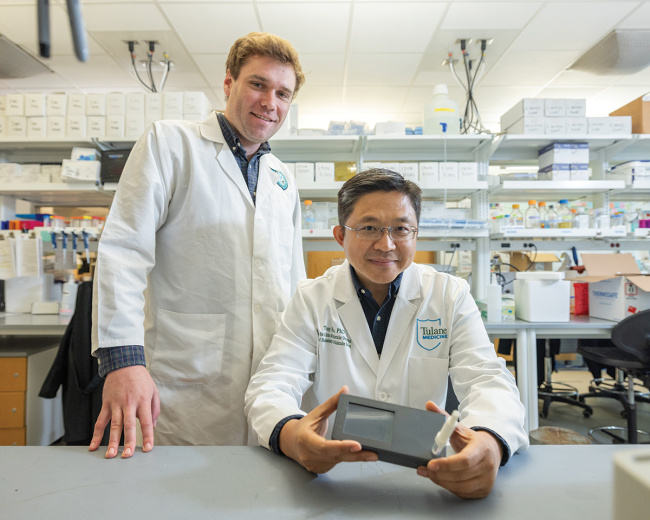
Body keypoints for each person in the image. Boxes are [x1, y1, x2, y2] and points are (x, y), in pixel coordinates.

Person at [245, 169, 529, 499]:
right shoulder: (311, 298)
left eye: (401, 229)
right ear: (340, 235)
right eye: (368, 228)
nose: (386, 244)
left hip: (424, 476)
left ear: (416, 234)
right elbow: (272, 383)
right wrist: (292, 436)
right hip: (330, 475)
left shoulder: (449, 295)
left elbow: (488, 379)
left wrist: (489, 442)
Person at [90, 32, 306, 459]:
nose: (270, 102)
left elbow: (293, 279)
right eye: (258, 84)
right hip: (184, 383)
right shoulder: (170, 144)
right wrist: (123, 361)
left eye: (283, 93)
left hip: (272, 383)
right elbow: (123, 251)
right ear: (229, 82)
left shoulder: (282, 177)